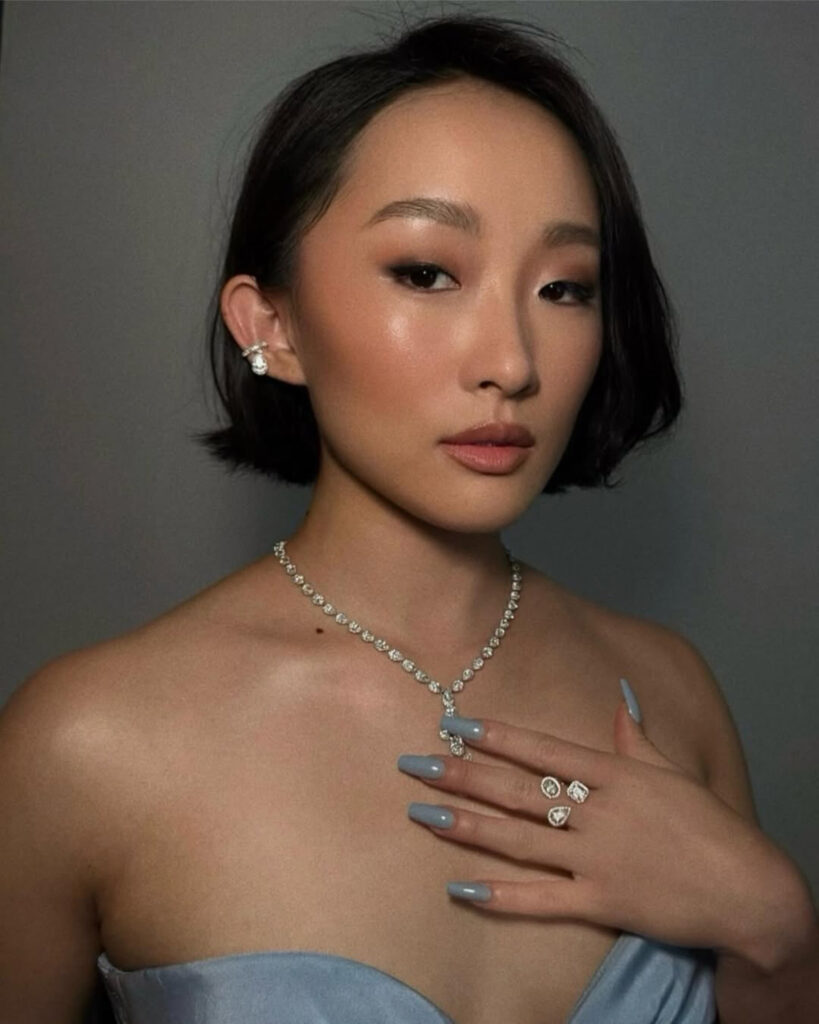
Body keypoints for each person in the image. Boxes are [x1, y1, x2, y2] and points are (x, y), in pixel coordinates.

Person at [1, 12, 816, 1024]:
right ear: (272, 325)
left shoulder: (670, 696)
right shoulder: (85, 746)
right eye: (427, 273)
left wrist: (778, 930)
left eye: (563, 287)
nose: (511, 362)